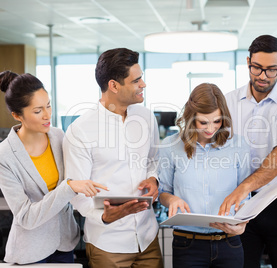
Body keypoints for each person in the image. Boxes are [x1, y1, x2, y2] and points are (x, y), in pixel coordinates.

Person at [62, 48, 163, 268]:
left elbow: (153, 160)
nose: (143, 85)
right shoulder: (80, 130)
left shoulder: (146, 117)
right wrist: (106, 217)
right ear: (114, 85)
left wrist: (153, 179)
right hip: (108, 243)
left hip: (147, 238)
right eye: (136, 81)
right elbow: (76, 191)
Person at [219, 35, 277, 268]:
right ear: (248, 62)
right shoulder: (228, 102)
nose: (262, 76)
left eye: (271, 70)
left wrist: (244, 187)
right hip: (240, 204)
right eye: (257, 68)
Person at [0, 71, 107, 264]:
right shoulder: (4, 156)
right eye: (38, 110)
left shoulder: (58, 136)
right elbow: (25, 217)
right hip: (31, 251)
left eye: (48, 106)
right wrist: (69, 187)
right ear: (17, 115)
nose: (47, 115)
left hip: (64, 242)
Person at [158, 83, 251, 268]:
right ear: (191, 118)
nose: (211, 128)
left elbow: (245, 195)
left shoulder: (239, 145)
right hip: (187, 246)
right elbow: (162, 192)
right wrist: (171, 200)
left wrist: (244, 222)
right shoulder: (171, 146)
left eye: (217, 121)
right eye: (203, 122)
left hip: (229, 243)